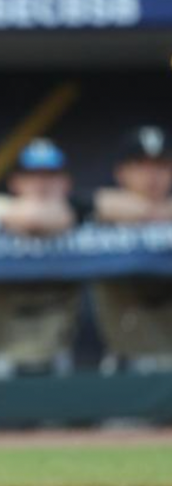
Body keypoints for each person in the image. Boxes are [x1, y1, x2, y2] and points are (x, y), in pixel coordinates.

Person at [0, 138, 88, 380]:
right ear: (14, 182)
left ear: (66, 182)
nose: (41, 184)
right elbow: (33, 219)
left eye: (50, 175)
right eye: (32, 175)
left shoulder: (88, 215)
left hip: (54, 363)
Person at [92, 125, 172, 374]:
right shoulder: (101, 210)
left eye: (161, 166)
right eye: (140, 165)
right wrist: (153, 212)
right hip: (127, 363)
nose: (152, 176)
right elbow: (58, 211)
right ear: (121, 172)